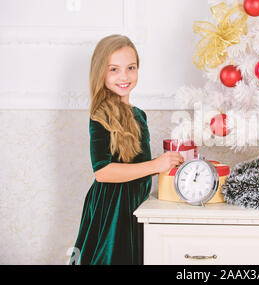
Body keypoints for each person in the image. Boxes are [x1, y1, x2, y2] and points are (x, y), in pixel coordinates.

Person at [70, 34, 184, 265]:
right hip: (112, 208)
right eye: (114, 69)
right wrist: (156, 165)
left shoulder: (139, 115)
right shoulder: (100, 116)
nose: (124, 76)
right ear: (100, 72)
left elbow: (138, 166)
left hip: (135, 203)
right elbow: (102, 172)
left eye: (130, 67)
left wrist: (168, 164)